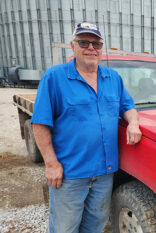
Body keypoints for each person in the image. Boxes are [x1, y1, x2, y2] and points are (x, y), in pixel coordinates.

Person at [31, 22, 142, 233]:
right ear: (73, 46)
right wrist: (51, 164)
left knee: (95, 227)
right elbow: (40, 123)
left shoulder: (113, 78)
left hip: (104, 173)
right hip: (70, 174)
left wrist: (133, 122)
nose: (91, 48)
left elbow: (127, 106)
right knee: (65, 228)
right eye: (84, 42)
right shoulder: (54, 77)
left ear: (101, 48)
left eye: (96, 44)